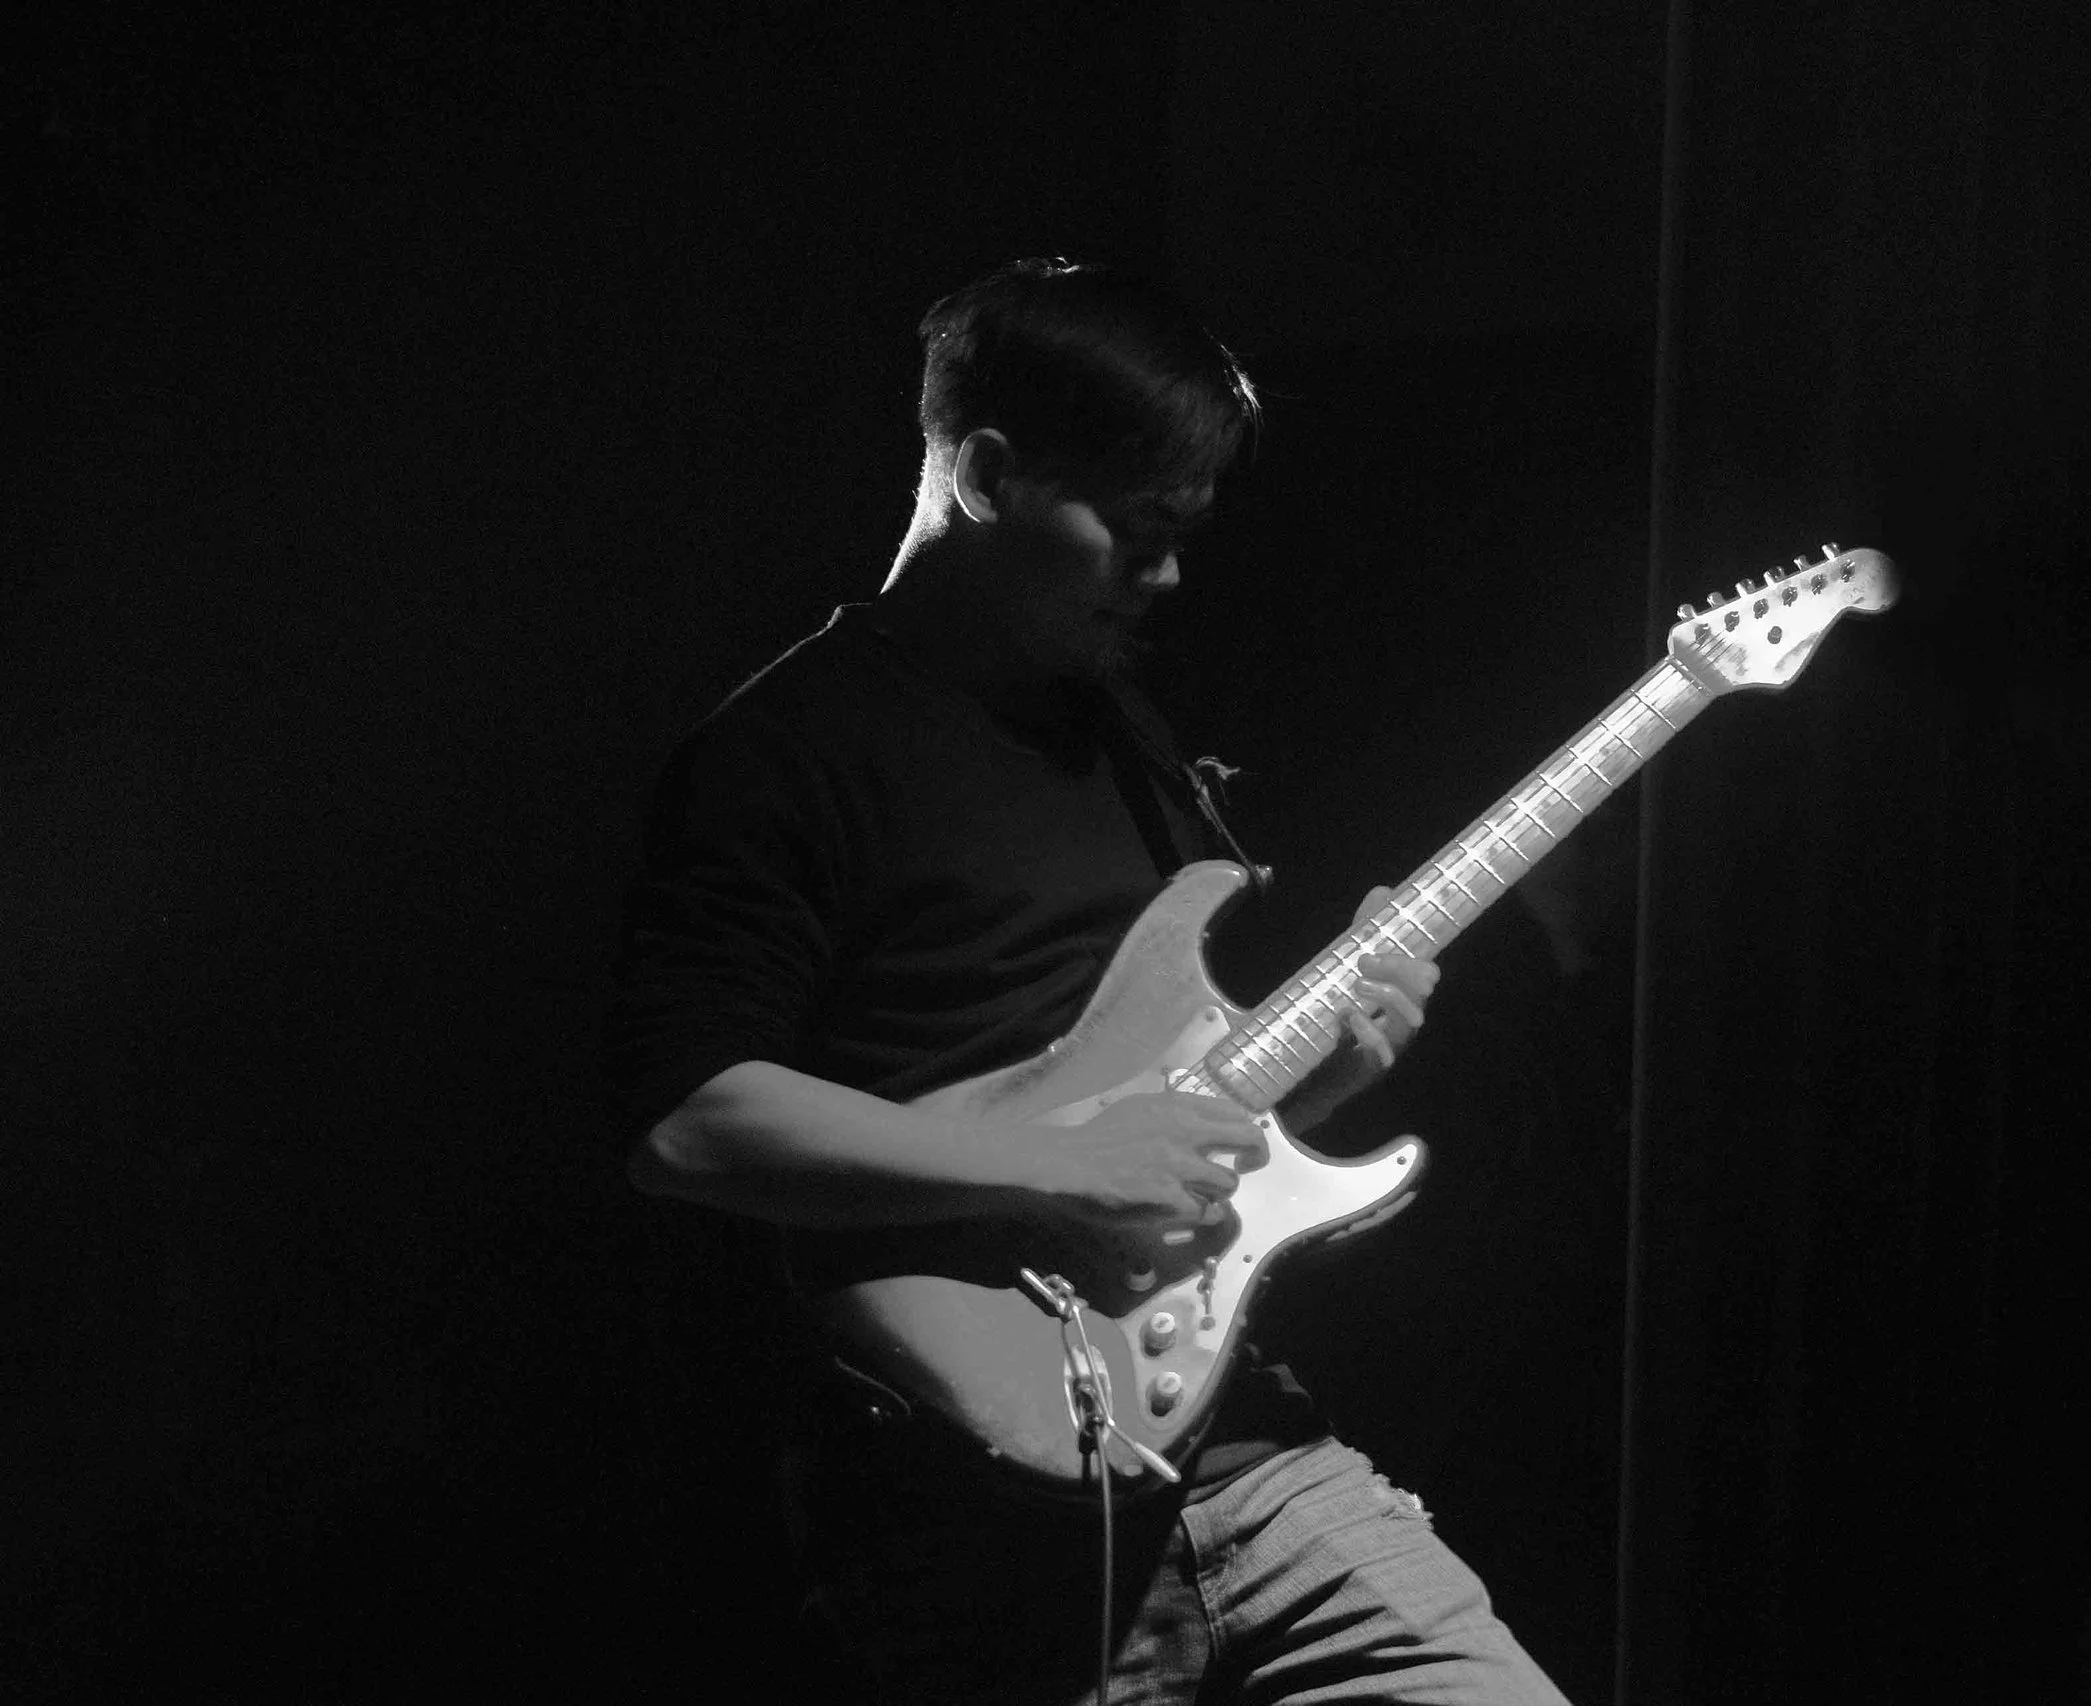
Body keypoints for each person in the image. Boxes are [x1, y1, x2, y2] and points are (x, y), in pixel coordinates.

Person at [603, 258, 1572, 1703]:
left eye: (1181, 533)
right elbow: (686, 1122)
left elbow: (1162, 1108)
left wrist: (1321, 1078)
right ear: (989, 475)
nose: (1165, 575)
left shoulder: (1128, 736)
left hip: (1250, 1456)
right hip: (966, 1515)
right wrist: (1058, 1163)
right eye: (1135, 528)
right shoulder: (779, 754)